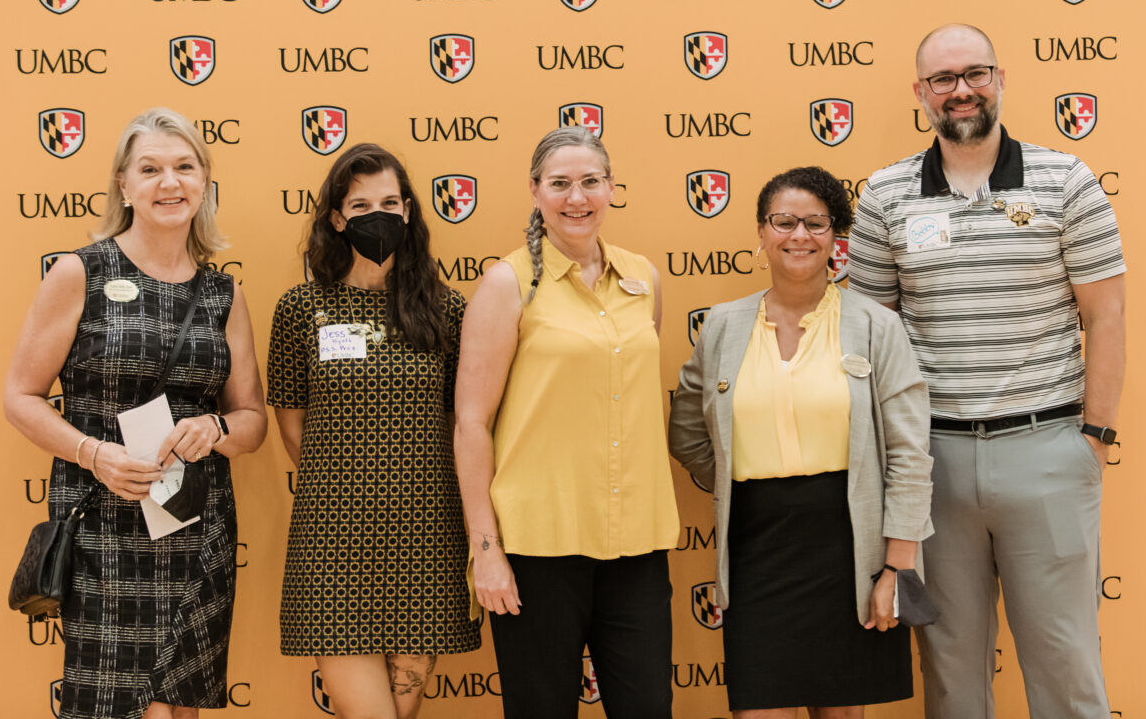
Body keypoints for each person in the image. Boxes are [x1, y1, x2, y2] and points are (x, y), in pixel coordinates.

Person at [848, 23, 1126, 718]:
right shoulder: (884, 196)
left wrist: (1093, 437)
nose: (961, 90)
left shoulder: (1068, 180)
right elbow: (870, 336)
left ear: (1000, 80)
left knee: (1066, 667)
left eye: (975, 73)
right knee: (951, 672)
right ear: (920, 94)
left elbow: (1108, 318)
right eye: (943, 79)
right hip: (932, 465)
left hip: (1049, 451)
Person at [3, 107, 267, 719]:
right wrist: (94, 455)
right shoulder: (81, 273)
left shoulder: (223, 294)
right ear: (123, 184)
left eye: (184, 167)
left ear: (204, 182)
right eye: (150, 169)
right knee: (117, 705)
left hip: (195, 521)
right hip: (104, 519)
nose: (168, 183)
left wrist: (217, 428)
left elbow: (251, 419)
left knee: (183, 704)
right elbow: (19, 397)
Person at [667, 166, 933, 718]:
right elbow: (689, 430)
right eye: (783, 221)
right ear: (761, 232)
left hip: (850, 546)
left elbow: (909, 454)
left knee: (841, 712)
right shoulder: (722, 326)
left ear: (837, 236)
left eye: (816, 223)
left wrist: (897, 568)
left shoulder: (874, 326)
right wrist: (733, 471)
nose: (799, 236)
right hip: (756, 546)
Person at [453, 126, 679, 718]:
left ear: (611, 189)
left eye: (590, 182)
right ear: (534, 192)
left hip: (635, 545)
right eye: (560, 184)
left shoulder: (644, 278)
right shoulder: (507, 285)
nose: (576, 198)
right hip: (538, 549)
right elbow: (471, 423)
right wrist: (486, 550)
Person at [268, 143, 480, 719]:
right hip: (333, 539)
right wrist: (349, 479)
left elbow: (466, 422)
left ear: (409, 211)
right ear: (337, 218)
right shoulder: (299, 309)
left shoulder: (447, 310)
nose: (378, 214)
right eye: (361, 204)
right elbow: (292, 425)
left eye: (390, 201)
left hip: (426, 534)